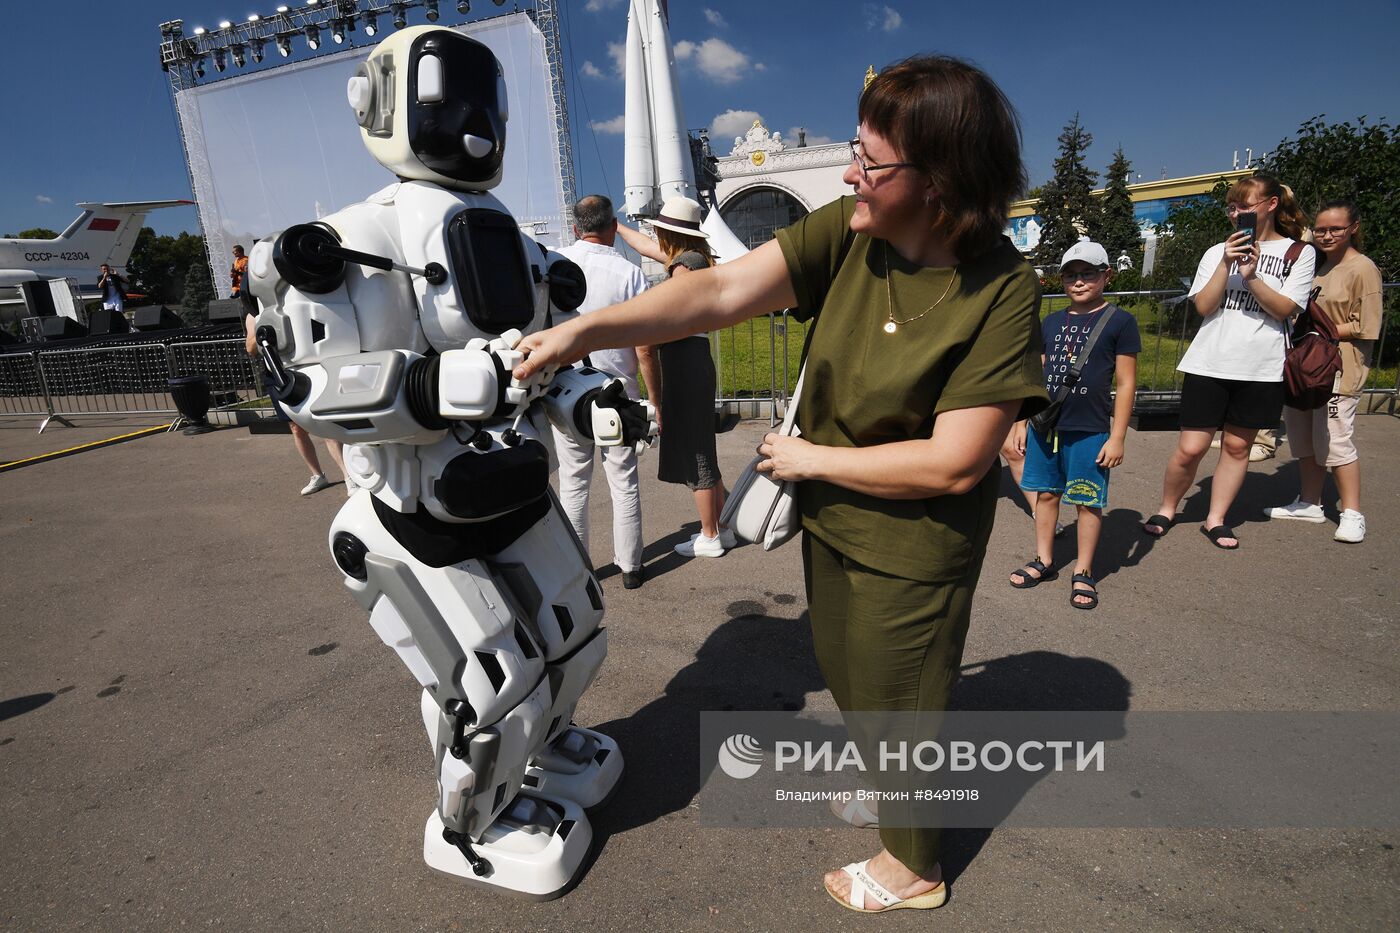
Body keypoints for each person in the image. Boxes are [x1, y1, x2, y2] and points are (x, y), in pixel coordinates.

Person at [514, 55, 1046, 913]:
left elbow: (957, 460)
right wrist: (581, 333)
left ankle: (916, 866)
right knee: (849, 671)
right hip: (833, 520)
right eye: (856, 154)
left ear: (942, 177)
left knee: (904, 698)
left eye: (870, 164)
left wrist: (812, 461)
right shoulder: (852, 231)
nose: (849, 175)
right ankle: (891, 789)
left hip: (913, 542)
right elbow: (719, 290)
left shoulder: (1004, 290)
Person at [1143, 173, 1314, 549]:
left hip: (1261, 367)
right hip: (1210, 363)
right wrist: (1225, 263)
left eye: (1245, 206)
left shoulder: (1298, 253)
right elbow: (1204, 306)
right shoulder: (1215, 251)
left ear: (1270, 205)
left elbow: (1286, 309)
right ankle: (1167, 508)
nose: (1237, 214)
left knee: (1238, 448)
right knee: (1191, 448)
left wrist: (1252, 277)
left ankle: (1215, 519)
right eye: (1232, 207)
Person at [1009, 241, 1140, 609]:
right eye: (1071, 274)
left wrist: (1118, 437)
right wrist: (1022, 421)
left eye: (1088, 273)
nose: (1079, 281)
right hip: (1045, 426)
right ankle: (1044, 560)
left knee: (1086, 501)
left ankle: (1083, 571)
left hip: (1090, 429)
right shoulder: (1051, 321)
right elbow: (1034, 375)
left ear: (1106, 275)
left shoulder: (1120, 321)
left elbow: (1126, 383)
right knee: (1046, 494)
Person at [615, 197, 732, 558]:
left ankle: (709, 534)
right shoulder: (695, 259)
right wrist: (616, 225)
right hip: (694, 359)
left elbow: (666, 313)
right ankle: (723, 526)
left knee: (695, 451)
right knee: (702, 447)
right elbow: (648, 247)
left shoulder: (684, 267)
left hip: (682, 362)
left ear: (669, 233)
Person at [1264, 199, 1382, 543]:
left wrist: (1317, 329)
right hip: (1304, 367)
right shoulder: (1316, 265)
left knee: (1335, 440)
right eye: (1321, 229)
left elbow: (1367, 324)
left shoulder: (1363, 268)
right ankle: (1309, 502)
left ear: (1353, 229)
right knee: (1304, 439)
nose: (1327, 235)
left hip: (1338, 368)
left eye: (1335, 229)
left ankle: (1352, 512)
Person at [557, 195, 658, 588]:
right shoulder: (631, 274)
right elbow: (645, 347)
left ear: (576, 228)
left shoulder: (558, 264)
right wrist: (655, 400)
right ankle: (631, 566)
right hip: (619, 391)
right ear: (614, 227)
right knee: (623, 481)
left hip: (568, 391)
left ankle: (579, 570)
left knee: (574, 485)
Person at [240, 280, 347, 496]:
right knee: (296, 428)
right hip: (279, 374)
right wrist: (263, 332)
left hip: (307, 366)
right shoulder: (255, 313)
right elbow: (251, 348)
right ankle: (317, 475)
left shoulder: (295, 300)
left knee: (325, 422)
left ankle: (349, 476)